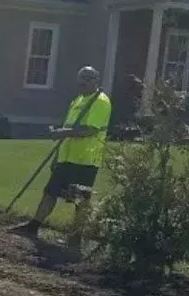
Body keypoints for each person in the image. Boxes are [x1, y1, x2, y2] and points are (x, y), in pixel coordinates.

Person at [9, 65, 112, 241]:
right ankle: (33, 226)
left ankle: (75, 237)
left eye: (88, 79)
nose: (84, 83)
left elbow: (89, 130)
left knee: (80, 199)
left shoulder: (100, 101)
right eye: (82, 79)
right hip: (67, 157)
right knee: (50, 192)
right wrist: (58, 154)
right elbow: (71, 127)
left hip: (85, 159)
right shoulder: (78, 100)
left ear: (96, 81)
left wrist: (60, 133)